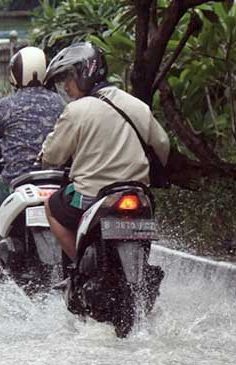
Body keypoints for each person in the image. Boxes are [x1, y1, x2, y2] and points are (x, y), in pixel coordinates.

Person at [41, 42, 170, 261]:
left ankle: (79, 266)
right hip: (138, 194)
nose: (67, 88)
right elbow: (162, 146)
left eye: (68, 79)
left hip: (91, 195)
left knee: (51, 206)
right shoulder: (137, 105)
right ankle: (142, 268)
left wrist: (44, 157)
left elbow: (53, 156)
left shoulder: (76, 110)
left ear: (83, 74)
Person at [0, 47, 66, 271]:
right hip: (56, 178)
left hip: (17, 178)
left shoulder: (6, 105)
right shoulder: (59, 102)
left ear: (14, 73)